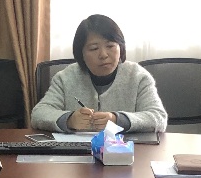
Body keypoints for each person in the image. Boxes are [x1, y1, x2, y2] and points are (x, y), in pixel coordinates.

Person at [30, 14, 168, 134]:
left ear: (120, 47)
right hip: (78, 153)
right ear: (81, 53)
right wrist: (69, 119)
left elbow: (158, 117)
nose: (103, 55)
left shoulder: (138, 77)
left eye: (110, 46)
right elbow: (38, 114)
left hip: (125, 152)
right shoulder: (65, 78)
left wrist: (118, 120)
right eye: (94, 48)